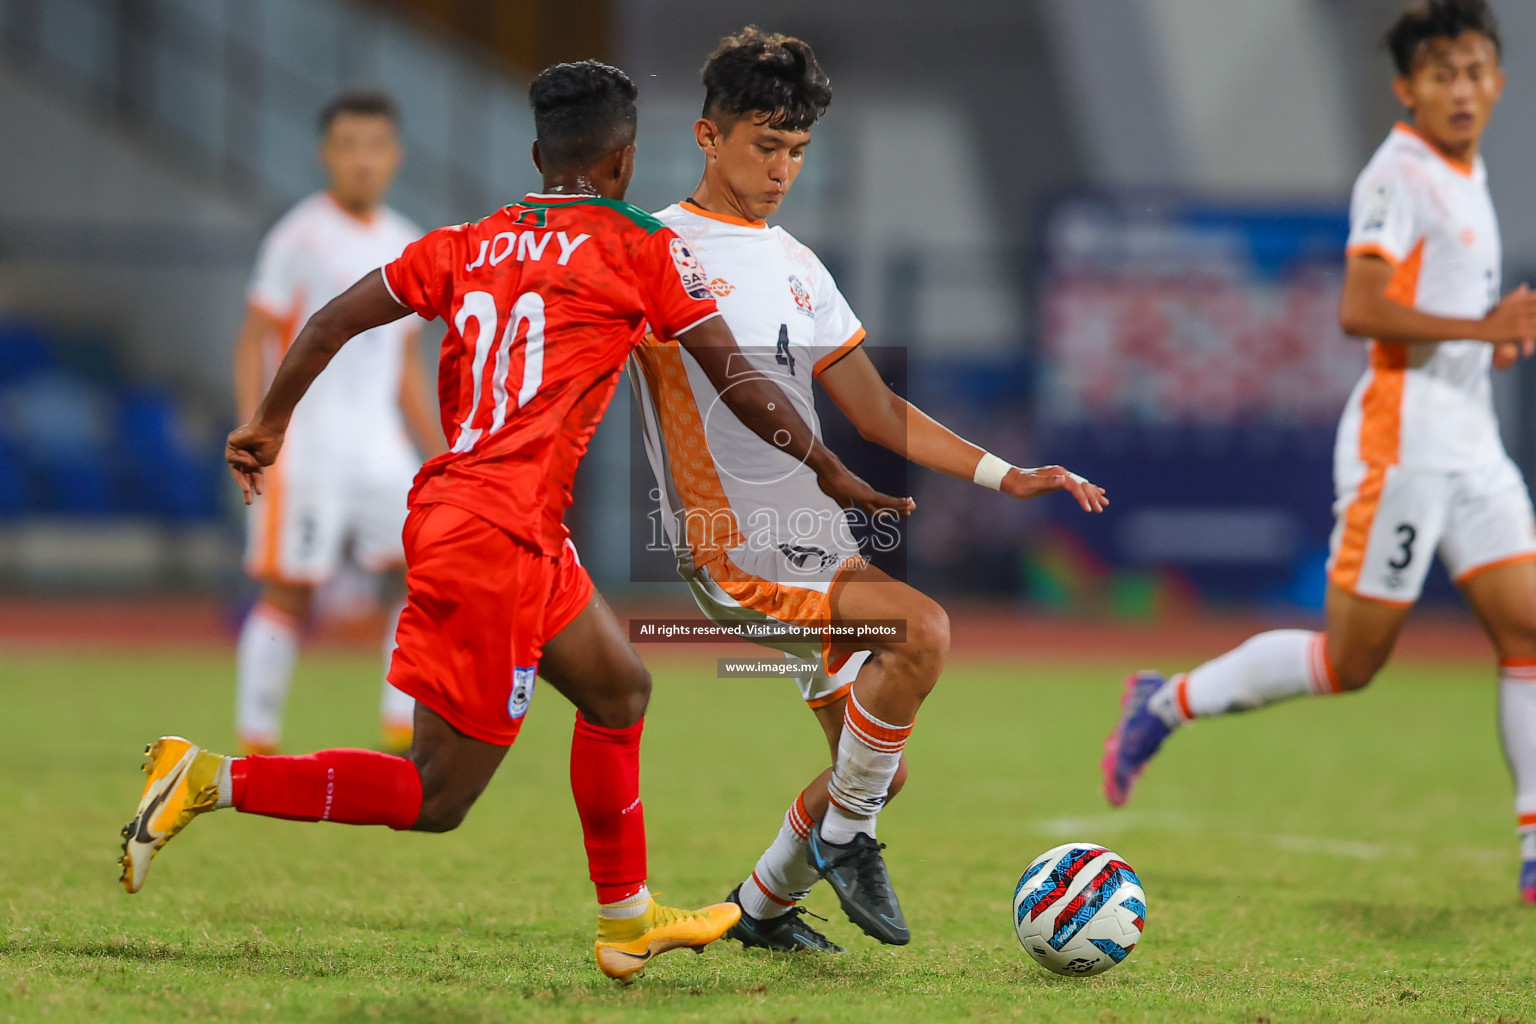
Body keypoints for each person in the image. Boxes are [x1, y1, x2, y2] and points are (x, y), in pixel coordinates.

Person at [118, 60, 907, 982]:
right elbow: (735, 376)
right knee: (435, 794)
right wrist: (827, 466)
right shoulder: (639, 245)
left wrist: (267, 421)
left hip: (503, 523)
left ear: (539, 156)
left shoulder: (467, 239)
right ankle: (210, 778)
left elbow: (333, 321)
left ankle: (626, 922)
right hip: (491, 535)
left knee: (619, 692)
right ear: (624, 160)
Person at [629, 27, 1107, 951]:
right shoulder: (656, 249)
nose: (782, 169)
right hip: (734, 545)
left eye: (798, 151)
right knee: (923, 630)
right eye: (765, 146)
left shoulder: (798, 264)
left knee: (877, 767)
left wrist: (1007, 476)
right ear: (706, 135)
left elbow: (879, 411)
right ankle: (847, 841)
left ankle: (761, 908)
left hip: (816, 542)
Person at [1102, 0, 1536, 903]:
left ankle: (1535, 846)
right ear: (1406, 87)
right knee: (1352, 662)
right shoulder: (1398, 174)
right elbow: (1361, 309)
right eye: (1443, 73)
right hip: (1403, 439)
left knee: (1528, 631)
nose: (1462, 88)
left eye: (1475, 70)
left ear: (1497, 78)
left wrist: (1478, 341)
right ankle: (1164, 701)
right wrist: (1479, 324)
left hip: (1470, 434)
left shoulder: (1469, 167)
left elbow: (1437, 309)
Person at [232, 91, 445, 756]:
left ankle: (398, 720)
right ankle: (257, 736)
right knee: (291, 590)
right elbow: (253, 340)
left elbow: (404, 361)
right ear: (326, 154)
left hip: (380, 446)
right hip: (308, 448)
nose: (361, 161)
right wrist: (256, 430)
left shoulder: (406, 241)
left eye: (374, 146)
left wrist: (437, 448)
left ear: (395, 156)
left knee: (429, 567)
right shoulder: (298, 236)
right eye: (347, 146)